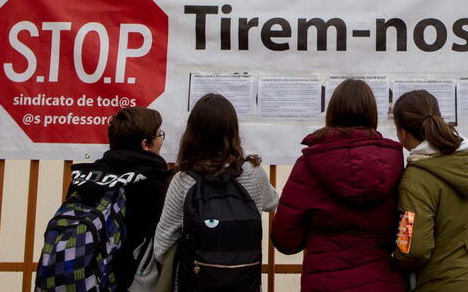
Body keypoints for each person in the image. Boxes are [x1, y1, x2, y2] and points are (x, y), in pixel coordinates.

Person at [272, 78, 406, 291]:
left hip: (325, 280)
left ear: (332, 111)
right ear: (372, 114)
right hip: (382, 279)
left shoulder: (309, 165)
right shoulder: (394, 163)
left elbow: (285, 239)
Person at [154, 93, 278, 290]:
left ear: (192, 133)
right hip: (245, 283)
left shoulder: (183, 180)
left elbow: (161, 246)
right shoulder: (253, 173)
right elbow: (273, 202)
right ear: (233, 130)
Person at [391, 90, 468, 291]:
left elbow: (414, 249)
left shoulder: (417, 178)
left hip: (446, 283)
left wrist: (395, 258)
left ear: (402, 132)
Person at [64, 106, 169, 288]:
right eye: (159, 135)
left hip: (81, 275)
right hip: (126, 279)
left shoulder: (85, 177)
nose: (161, 140)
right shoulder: (154, 183)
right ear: (145, 144)